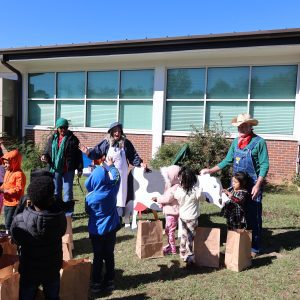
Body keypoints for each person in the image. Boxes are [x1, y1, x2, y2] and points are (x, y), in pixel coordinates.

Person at [201, 113, 269, 256]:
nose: (241, 128)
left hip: (252, 185)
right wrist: (211, 170)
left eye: (244, 125)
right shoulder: (235, 142)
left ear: (251, 126)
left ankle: (254, 247)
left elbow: (264, 165)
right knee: (236, 214)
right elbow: (227, 160)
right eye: (239, 126)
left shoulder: (259, 142)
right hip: (237, 184)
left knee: (253, 215)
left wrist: (257, 185)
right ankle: (238, 241)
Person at [11, 175, 67, 300]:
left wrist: (23, 209)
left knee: (27, 295)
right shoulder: (60, 218)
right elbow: (62, 231)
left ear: (31, 198)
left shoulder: (20, 219)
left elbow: (15, 237)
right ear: (52, 197)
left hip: (29, 269)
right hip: (52, 267)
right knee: (53, 296)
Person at [80, 121, 146, 218]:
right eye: (115, 131)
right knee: (108, 194)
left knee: (120, 196)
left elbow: (133, 155)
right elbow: (97, 152)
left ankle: (118, 217)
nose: (117, 133)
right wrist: (88, 153)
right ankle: (107, 215)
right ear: (111, 132)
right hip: (109, 175)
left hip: (122, 176)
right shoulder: (106, 143)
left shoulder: (126, 143)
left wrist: (140, 163)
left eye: (119, 131)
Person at [85, 156, 121, 294]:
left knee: (98, 256)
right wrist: (110, 166)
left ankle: (95, 282)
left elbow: (88, 211)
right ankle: (110, 281)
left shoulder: (90, 197)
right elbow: (117, 177)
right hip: (111, 229)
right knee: (109, 254)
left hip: (95, 231)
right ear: (106, 178)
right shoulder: (111, 191)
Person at [41, 117, 83, 216]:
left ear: (67, 128)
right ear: (57, 128)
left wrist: (80, 168)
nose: (63, 130)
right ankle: (58, 212)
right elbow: (47, 151)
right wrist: (44, 156)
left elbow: (78, 155)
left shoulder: (73, 139)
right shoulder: (53, 138)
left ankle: (68, 214)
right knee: (56, 191)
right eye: (61, 128)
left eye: (64, 128)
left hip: (68, 169)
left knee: (68, 192)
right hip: (56, 169)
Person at [174, 166, 205, 264]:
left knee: (184, 235)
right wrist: (201, 191)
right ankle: (190, 256)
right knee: (190, 237)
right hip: (192, 218)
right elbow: (202, 198)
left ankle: (182, 253)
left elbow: (176, 196)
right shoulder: (196, 190)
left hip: (183, 217)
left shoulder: (180, 191)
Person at [0, 149, 26, 234]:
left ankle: (11, 238)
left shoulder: (19, 174)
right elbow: (5, 184)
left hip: (14, 203)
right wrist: (1, 188)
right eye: (4, 163)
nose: (5, 165)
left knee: (10, 223)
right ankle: (9, 236)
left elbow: (19, 188)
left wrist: (8, 191)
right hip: (7, 202)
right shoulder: (8, 172)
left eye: (7, 163)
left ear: (14, 162)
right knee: (7, 221)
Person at [156, 165, 180, 255]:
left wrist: (158, 199)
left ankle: (172, 249)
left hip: (173, 213)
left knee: (170, 231)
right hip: (169, 212)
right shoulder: (171, 185)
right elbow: (165, 195)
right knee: (167, 230)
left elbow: (168, 198)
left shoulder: (176, 187)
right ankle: (170, 245)